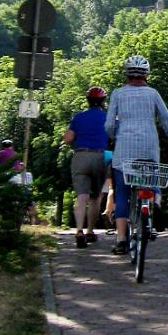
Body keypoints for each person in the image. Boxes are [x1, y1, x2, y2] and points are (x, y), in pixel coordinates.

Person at [105, 55, 168, 255]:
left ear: (126, 74)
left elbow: (109, 125)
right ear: (147, 74)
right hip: (149, 147)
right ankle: (155, 205)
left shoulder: (118, 94)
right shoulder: (153, 94)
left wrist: (114, 136)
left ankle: (121, 240)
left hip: (124, 150)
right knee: (152, 178)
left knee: (121, 194)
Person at [64, 86, 110, 248]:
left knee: (81, 196)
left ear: (88, 101)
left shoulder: (79, 117)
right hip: (101, 156)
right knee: (95, 197)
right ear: (103, 101)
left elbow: (68, 138)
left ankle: (78, 231)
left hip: (80, 155)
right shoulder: (109, 118)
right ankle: (91, 231)